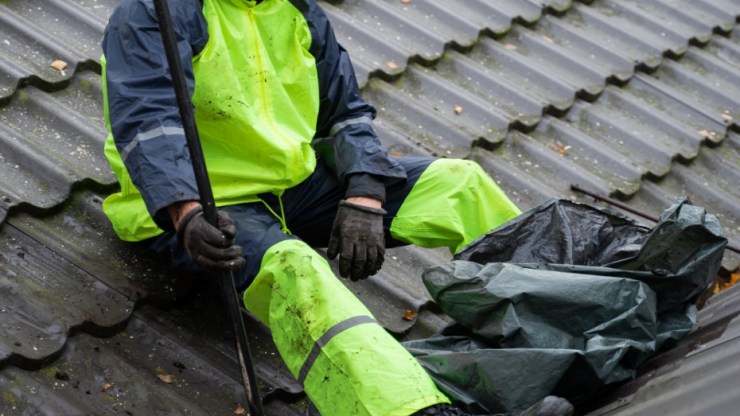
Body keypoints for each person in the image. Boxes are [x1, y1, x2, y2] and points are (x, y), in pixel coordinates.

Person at [101, 0, 574, 415]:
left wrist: (365, 193)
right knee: (295, 266)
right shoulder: (157, 12)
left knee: (458, 183)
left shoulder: (299, 11)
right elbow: (150, 121)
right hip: (202, 203)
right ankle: (412, 412)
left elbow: (346, 113)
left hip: (294, 186)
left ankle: (562, 337)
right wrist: (184, 212)